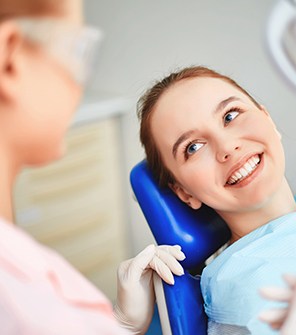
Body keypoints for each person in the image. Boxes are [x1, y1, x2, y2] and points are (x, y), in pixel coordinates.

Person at [0, 0, 185, 334]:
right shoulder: (16, 298)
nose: (79, 84)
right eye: (78, 50)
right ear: (10, 57)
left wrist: (121, 325)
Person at [136, 65, 296, 335]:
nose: (227, 147)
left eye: (230, 115)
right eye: (193, 147)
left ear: (268, 119)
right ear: (185, 193)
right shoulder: (246, 299)